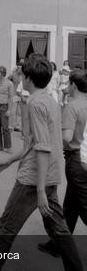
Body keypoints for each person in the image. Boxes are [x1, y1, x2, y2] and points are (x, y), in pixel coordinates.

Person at [0, 54, 84, 271]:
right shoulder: (50, 101)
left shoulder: (35, 104)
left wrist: (40, 189)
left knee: (5, 229)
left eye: (21, 74)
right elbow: (38, 141)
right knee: (60, 230)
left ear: (26, 78)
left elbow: (43, 146)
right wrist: (11, 159)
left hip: (33, 179)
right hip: (51, 175)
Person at [38, 69, 87, 257]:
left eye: (69, 84)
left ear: (74, 85)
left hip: (76, 160)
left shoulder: (72, 106)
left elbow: (66, 138)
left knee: (83, 206)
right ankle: (58, 244)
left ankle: (58, 244)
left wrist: (51, 135)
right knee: (70, 206)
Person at [0, 65, 14, 152]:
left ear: (3, 73)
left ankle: (8, 147)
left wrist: (9, 110)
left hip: (4, 106)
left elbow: (11, 97)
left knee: (5, 127)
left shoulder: (9, 83)